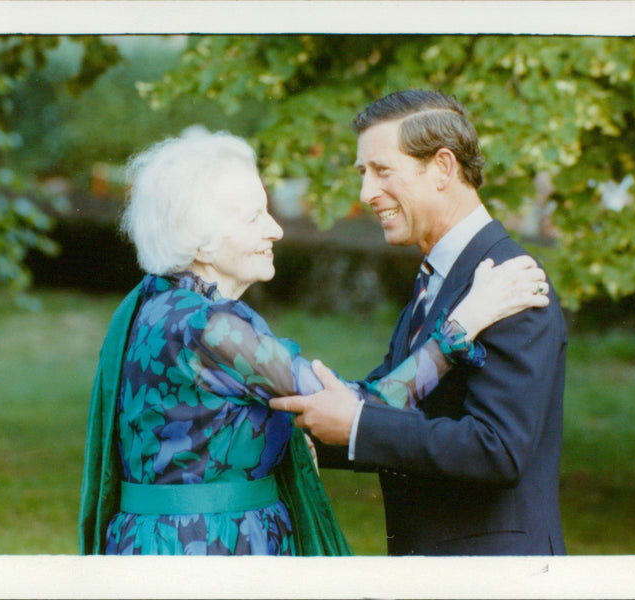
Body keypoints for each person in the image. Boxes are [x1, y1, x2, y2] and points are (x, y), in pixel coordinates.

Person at [79, 128, 551, 556]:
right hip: (212, 553)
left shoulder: (155, 303)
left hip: (156, 545)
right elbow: (360, 405)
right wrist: (460, 327)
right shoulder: (213, 328)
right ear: (199, 243)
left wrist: (292, 434)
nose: (276, 229)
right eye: (252, 218)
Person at [271, 90, 568, 556]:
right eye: (363, 174)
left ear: (444, 168)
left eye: (382, 171)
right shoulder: (440, 274)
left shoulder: (511, 282)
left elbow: (498, 449)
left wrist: (359, 426)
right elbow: (400, 396)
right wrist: (307, 427)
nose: (366, 193)